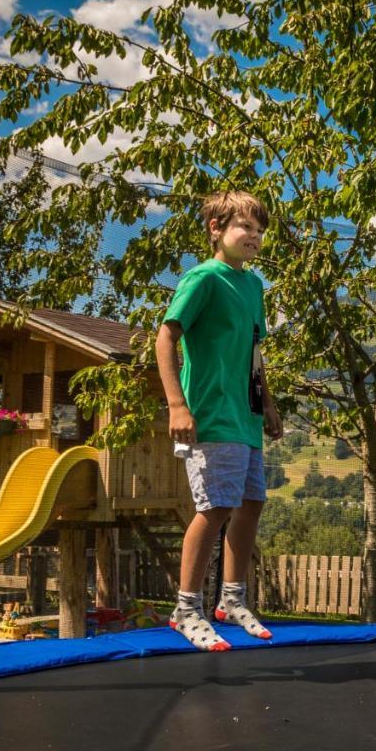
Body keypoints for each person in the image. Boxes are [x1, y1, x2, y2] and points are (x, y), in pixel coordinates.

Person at [156, 190, 284, 650]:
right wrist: (177, 404)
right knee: (213, 510)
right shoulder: (203, 279)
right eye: (245, 227)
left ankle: (231, 599)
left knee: (250, 504)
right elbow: (165, 338)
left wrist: (267, 403)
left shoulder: (252, 285)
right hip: (210, 414)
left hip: (245, 415)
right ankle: (186, 607)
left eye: (260, 230)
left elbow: (254, 351)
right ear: (217, 230)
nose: (254, 236)